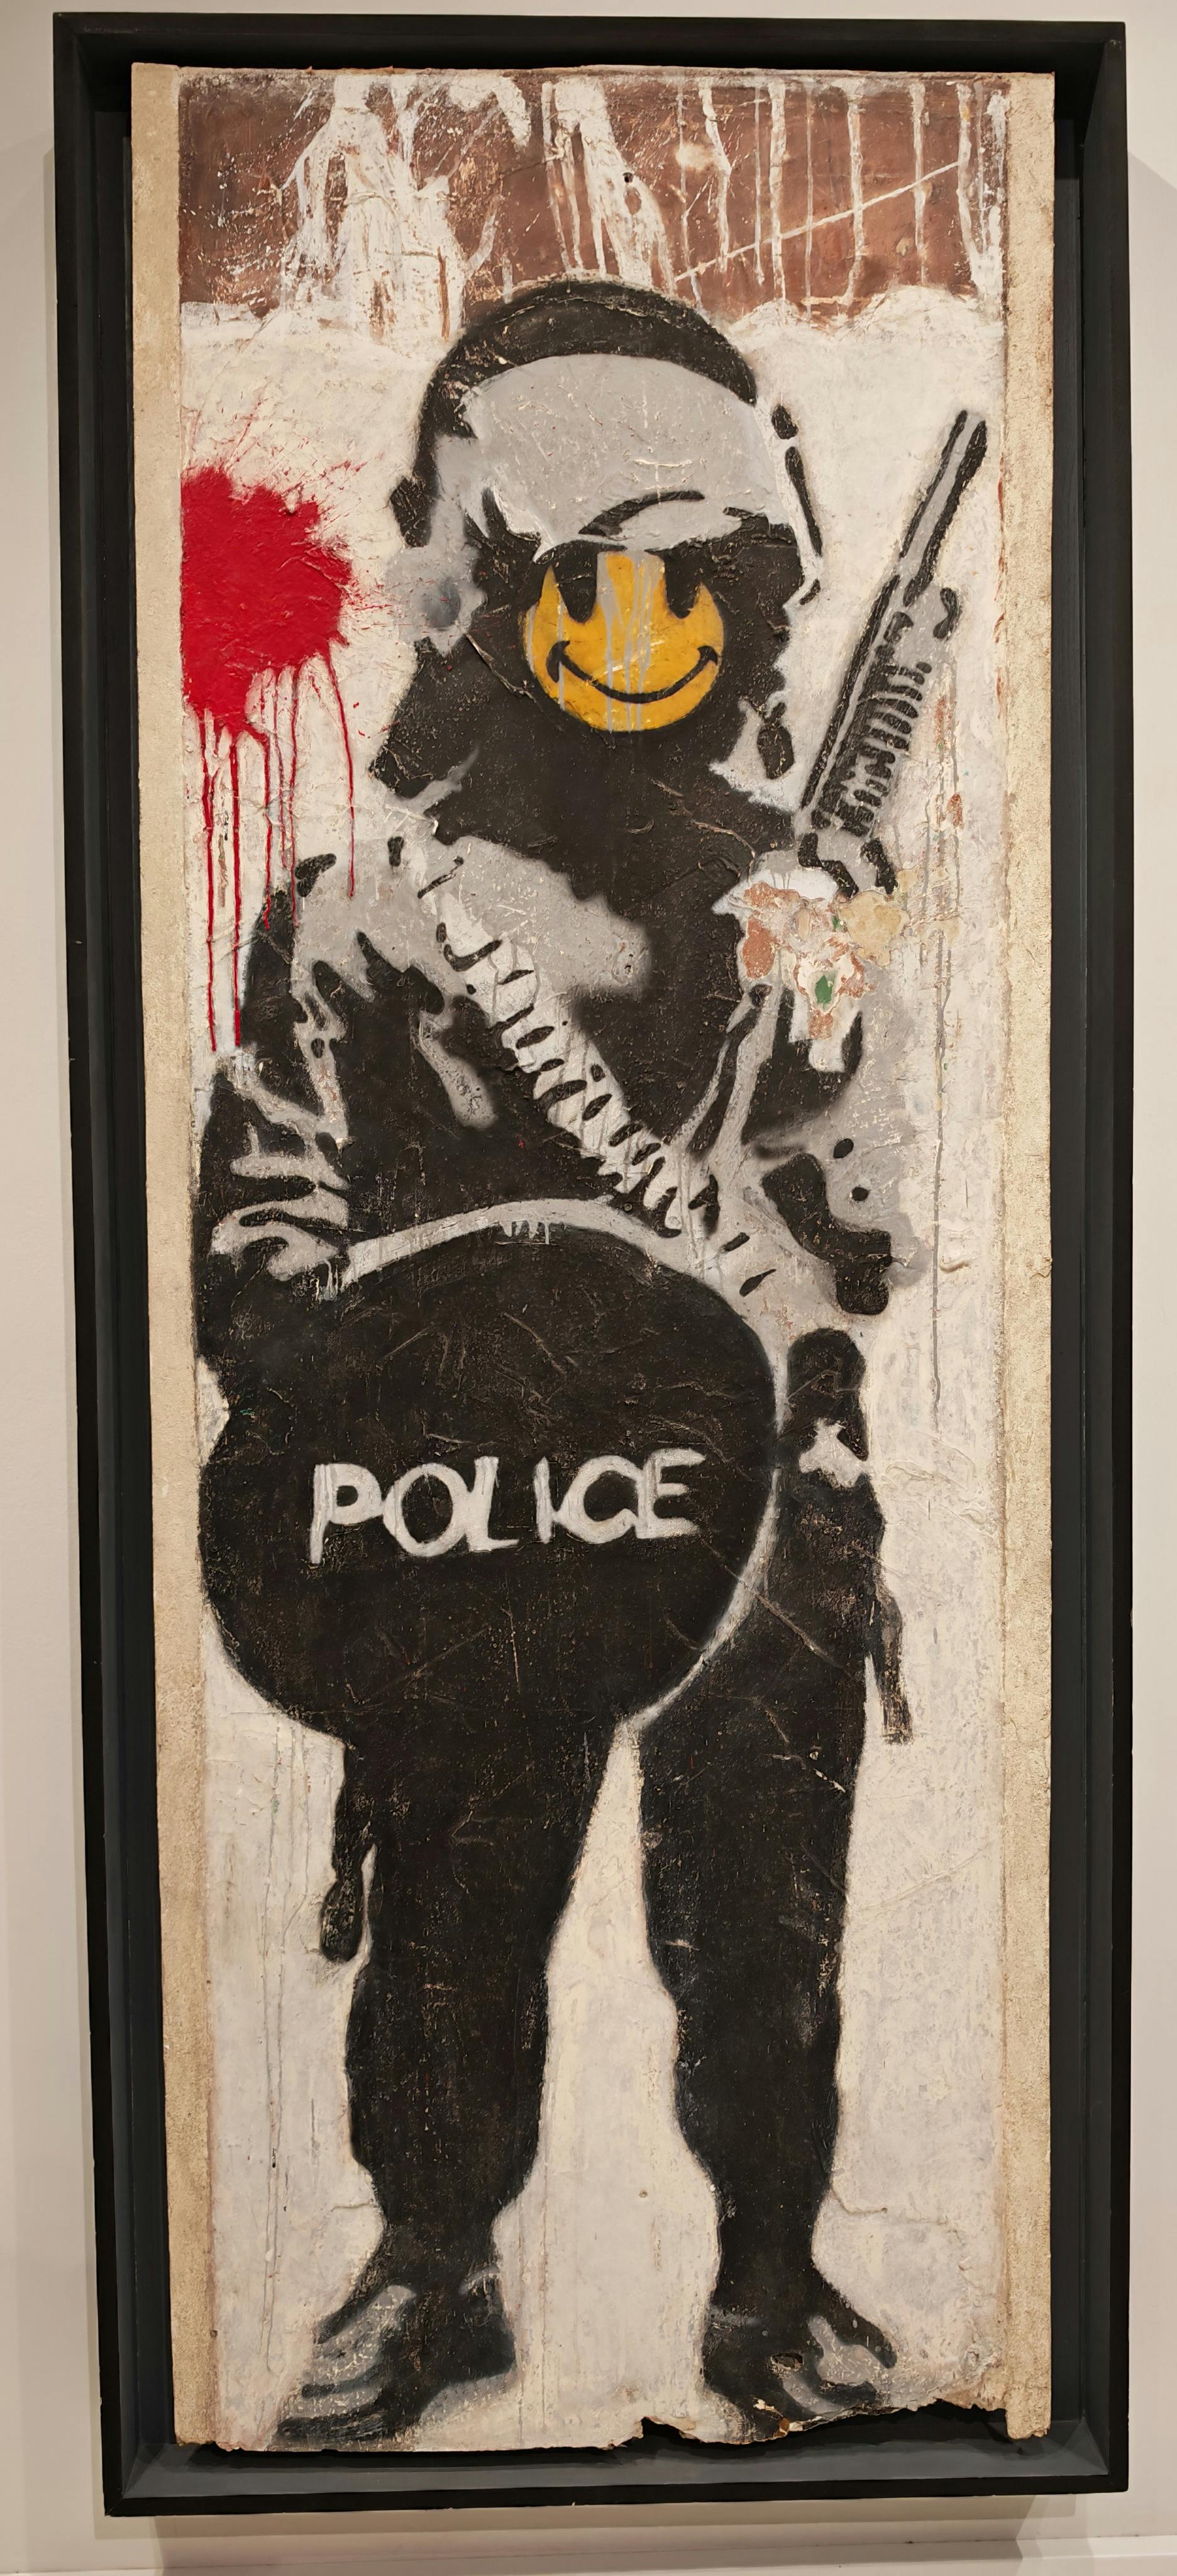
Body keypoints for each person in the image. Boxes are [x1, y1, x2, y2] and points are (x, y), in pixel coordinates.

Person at [197, 280, 906, 2444]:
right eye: (591, 584)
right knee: (450, 1916)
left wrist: (824, 1031)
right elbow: (263, 1226)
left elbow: (853, 1211)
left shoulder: (800, 895)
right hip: (468, 1503)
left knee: (765, 1920)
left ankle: (770, 2282)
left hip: (749, 1494)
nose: (641, 631)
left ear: (748, 609)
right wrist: (387, 1381)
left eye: (691, 588)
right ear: (499, 593)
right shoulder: (360, 906)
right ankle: (434, 2271)